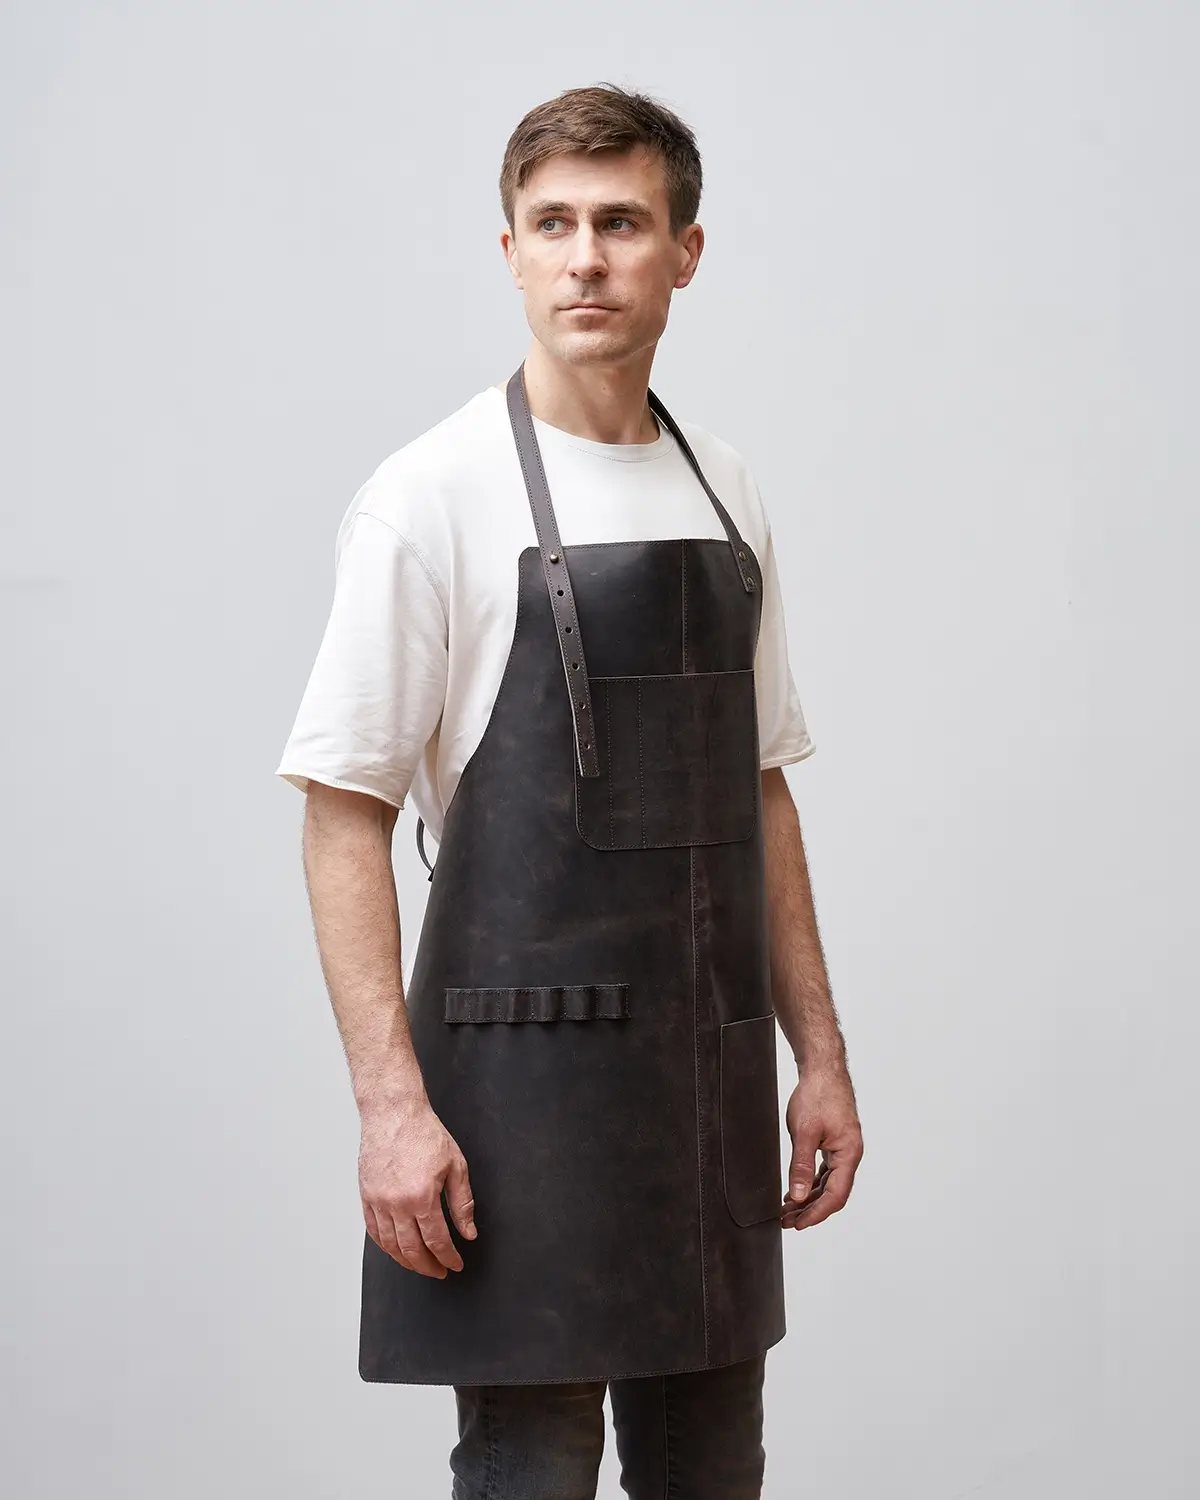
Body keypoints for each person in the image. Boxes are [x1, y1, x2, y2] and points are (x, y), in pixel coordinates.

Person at [275, 81, 863, 1500]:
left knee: (714, 1467)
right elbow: (341, 810)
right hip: (516, 1095)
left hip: (708, 1082)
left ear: (685, 251)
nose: (585, 259)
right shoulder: (430, 496)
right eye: (552, 225)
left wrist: (821, 1056)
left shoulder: (727, 491)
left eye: (620, 222)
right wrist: (391, 1109)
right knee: (529, 1465)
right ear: (511, 252)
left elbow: (761, 793)